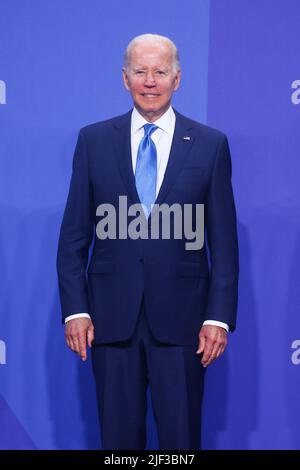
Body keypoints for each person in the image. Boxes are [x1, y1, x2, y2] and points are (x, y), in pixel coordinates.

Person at [56, 33, 239, 450]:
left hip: (184, 322)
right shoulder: (94, 140)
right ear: (125, 78)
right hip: (109, 319)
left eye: (160, 72)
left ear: (178, 79)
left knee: (179, 444)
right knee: (118, 445)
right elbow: (73, 238)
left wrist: (218, 317)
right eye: (141, 71)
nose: (150, 81)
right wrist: (75, 311)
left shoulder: (211, 145)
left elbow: (225, 244)